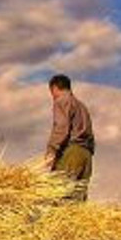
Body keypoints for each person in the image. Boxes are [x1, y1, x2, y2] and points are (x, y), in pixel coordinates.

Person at [45, 73, 95, 201]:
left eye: (52, 92)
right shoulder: (82, 107)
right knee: (78, 201)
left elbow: (61, 127)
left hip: (72, 153)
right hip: (86, 155)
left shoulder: (62, 101)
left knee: (60, 197)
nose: (52, 96)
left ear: (55, 88)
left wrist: (51, 151)